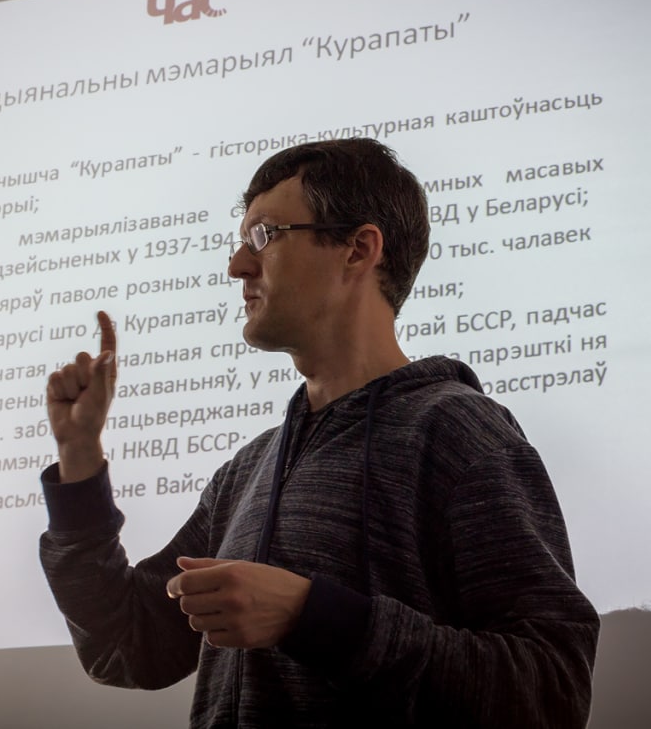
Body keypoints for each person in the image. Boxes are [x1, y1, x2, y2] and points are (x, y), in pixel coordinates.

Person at [39, 138, 599, 727]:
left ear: (357, 250)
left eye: (264, 235)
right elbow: (127, 645)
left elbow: (551, 692)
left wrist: (314, 617)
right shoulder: (247, 471)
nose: (237, 266)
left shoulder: (457, 431)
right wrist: (80, 459)